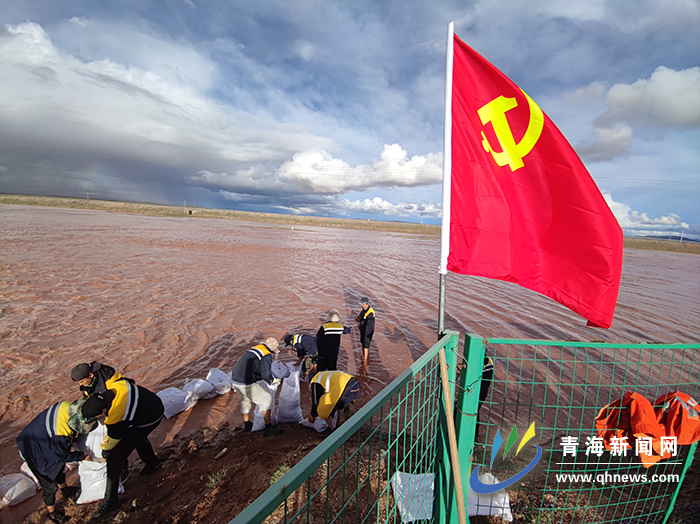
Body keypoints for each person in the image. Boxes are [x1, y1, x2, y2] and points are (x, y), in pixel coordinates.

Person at [81, 379, 165, 519]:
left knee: (115, 458)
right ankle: (153, 463)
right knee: (135, 438)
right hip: (152, 404)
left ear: (103, 411)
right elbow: (130, 381)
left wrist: (104, 453)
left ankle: (111, 501)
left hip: (150, 418)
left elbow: (112, 440)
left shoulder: (116, 414)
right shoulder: (116, 386)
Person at [16, 400, 92, 523]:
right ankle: (52, 512)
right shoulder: (60, 436)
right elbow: (60, 455)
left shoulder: (67, 408)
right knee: (49, 486)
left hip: (39, 436)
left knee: (59, 468)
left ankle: (65, 490)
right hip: (32, 449)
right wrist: (82, 456)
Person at [230, 337, 282, 435]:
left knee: (245, 401)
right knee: (267, 399)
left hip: (235, 380)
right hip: (246, 383)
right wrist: (272, 380)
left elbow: (253, 367)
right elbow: (265, 374)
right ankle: (268, 427)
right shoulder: (266, 355)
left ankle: (247, 424)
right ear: (272, 349)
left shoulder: (255, 349)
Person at [475, 354, 494, 443]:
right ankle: (475, 438)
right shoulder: (487, 361)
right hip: (477, 392)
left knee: (475, 411)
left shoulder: (488, 364)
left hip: (478, 394)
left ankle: (475, 437)